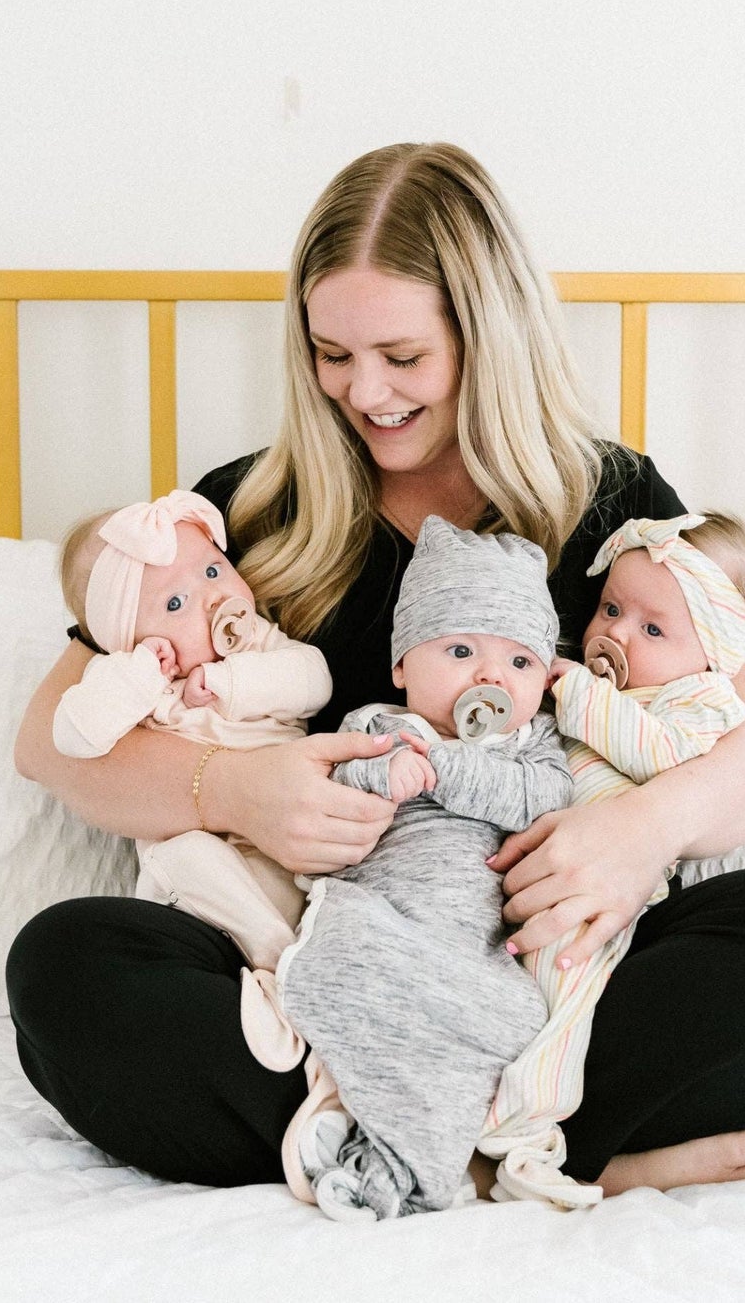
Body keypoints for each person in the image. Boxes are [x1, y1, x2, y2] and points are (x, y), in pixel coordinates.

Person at [6, 141, 745, 1198]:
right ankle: (527, 1152)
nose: (363, 390)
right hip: (323, 976)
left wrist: (640, 831)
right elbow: (48, 736)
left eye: (402, 356)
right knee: (65, 964)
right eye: (331, 353)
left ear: (486, 335)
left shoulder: (610, 502)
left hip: (548, 978)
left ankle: (402, 1142)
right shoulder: (248, 511)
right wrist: (230, 788)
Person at [279, 517, 572, 1220]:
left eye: (520, 662)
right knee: (344, 958)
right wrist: (380, 776)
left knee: (507, 1017)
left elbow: (544, 799)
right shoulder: (378, 728)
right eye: (461, 650)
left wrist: (445, 767)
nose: (490, 677)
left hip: (472, 953)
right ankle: (385, 1145)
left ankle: (398, 1155)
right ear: (402, 667)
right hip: (382, 921)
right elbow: (332, 789)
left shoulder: (531, 747)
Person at [480, 510, 745, 1200]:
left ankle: (525, 1127)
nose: (616, 633)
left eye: (653, 629)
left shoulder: (701, 701)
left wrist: (573, 689)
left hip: (598, 905)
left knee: (560, 997)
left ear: (715, 650)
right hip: (518, 871)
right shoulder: (594, 688)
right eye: (611, 608)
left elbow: (658, 754)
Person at [51, 488, 331, 925]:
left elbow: (315, 682)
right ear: (127, 637)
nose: (213, 597)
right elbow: (72, 737)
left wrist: (227, 681)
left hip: (282, 843)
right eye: (175, 603)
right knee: (180, 858)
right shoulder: (135, 678)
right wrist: (142, 673)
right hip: (199, 874)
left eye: (213, 569)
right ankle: (274, 951)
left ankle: (278, 951)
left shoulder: (257, 642)